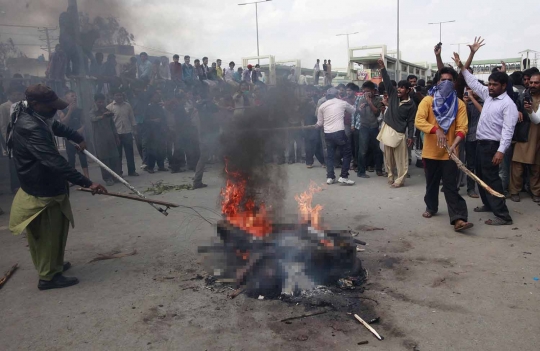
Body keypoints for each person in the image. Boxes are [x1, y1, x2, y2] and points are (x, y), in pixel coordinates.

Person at [7, 84, 107, 290]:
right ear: (35, 104)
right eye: (50, 106)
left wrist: (77, 137)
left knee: (58, 230)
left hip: (50, 185)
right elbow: (53, 160)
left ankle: (56, 264)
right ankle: (48, 277)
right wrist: (88, 182)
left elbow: (56, 126)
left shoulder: (35, 114)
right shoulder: (30, 126)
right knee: (47, 235)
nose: (55, 109)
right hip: (40, 188)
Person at [453, 37, 518, 226]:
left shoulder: (508, 105)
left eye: (494, 85)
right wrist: (462, 65)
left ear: (503, 86)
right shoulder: (488, 97)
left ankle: (503, 215)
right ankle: (489, 205)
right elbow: (472, 82)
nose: (490, 87)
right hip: (481, 144)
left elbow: (508, 130)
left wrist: (501, 151)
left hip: (493, 146)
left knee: (491, 179)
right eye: (489, 84)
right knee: (481, 177)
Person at [415, 67, 473, 232]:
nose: (446, 83)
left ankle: (458, 218)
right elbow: (419, 121)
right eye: (443, 80)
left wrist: (455, 144)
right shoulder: (428, 101)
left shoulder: (459, 104)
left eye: (449, 80)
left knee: (450, 186)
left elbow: (463, 127)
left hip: (450, 153)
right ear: (437, 82)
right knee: (431, 184)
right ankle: (431, 207)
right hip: (431, 152)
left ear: (454, 83)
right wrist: (436, 129)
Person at [376, 57, 416, 188]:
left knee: (401, 159)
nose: (399, 89)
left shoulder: (411, 104)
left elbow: (411, 121)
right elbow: (387, 80)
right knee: (388, 157)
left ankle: (400, 179)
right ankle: (390, 176)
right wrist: (383, 68)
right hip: (387, 129)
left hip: (399, 133)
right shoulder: (392, 94)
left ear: (408, 90)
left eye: (403, 88)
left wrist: (410, 136)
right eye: (399, 87)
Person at [509, 72, 540, 202]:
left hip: (537, 135)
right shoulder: (522, 96)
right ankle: (514, 191)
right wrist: (517, 111)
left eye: (536, 83)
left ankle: (536, 192)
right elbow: (511, 108)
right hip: (523, 133)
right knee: (517, 165)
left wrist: (529, 111)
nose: (532, 85)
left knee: (536, 167)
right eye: (531, 82)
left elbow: (537, 120)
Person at [316, 87, 355, 185]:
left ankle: (330, 177)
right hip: (339, 132)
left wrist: (316, 126)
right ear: (337, 95)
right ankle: (343, 176)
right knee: (347, 153)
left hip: (328, 134)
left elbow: (320, 123)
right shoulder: (342, 103)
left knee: (330, 156)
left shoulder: (322, 106)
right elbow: (353, 110)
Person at [353, 81, 384, 178]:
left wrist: (369, 102)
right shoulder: (361, 100)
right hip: (364, 126)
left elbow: (377, 113)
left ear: (373, 91)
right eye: (364, 92)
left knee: (377, 149)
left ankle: (378, 169)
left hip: (374, 126)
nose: (366, 93)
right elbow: (357, 113)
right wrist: (359, 110)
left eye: (368, 91)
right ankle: (361, 171)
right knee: (362, 150)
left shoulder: (378, 99)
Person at [57, 91, 90, 179]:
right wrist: (70, 111)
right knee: (71, 158)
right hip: (69, 137)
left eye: (75, 96)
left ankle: (87, 176)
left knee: (83, 155)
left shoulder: (80, 110)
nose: (74, 98)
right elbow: (63, 122)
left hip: (78, 136)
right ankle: (73, 178)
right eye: (72, 96)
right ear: (66, 99)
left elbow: (84, 122)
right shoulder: (62, 110)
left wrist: (81, 129)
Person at [90, 93, 120, 186]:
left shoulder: (108, 111)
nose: (101, 104)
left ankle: (116, 176)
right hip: (100, 139)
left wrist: (116, 136)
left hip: (110, 138)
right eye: (99, 102)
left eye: (102, 102)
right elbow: (93, 119)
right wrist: (102, 116)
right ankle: (107, 178)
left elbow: (113, 126)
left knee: (114, 157)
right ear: (95, 102)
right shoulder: (92, 112)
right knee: (104, 159)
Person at [107, 90, 139, 177]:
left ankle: (132, 171)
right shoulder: (109, 107)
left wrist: (134, 128)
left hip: (127, 132)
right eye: (117, 95)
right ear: (113, 96)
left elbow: (132, 117)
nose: (119, 97)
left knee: (130, 153)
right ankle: (119, 172)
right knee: (118, 155)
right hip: (117, 134)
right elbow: (109, 122)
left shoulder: (127, 105)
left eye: (120, 95)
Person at [193, 89, 219, 189]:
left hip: (204, 134)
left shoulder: (200, 105)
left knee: (203, 158)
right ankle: (197, 181)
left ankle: (197, 181)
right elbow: (216, 110)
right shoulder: (209, 105)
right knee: (206, 157)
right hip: (209, 134)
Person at [463, 87, 483, 198]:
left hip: (483, 138)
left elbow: (483, 111)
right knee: (470, 165)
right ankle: (471, 188)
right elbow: (464, 118)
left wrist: (471, 98)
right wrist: (466, 102)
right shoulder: (467, 103)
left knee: (482, 165)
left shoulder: (485, 102)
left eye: (474, 90)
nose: (472, 92)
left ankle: (483, 188)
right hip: (471, 137)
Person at [142, 90, 167, 173]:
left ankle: (161, 166)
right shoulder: (147, 108)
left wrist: (164, 127)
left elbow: (164, 119)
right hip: (151, 132)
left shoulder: (160, 107)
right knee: (152, 150)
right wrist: (153, 121)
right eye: (156, 97)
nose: (158, 98)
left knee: (161, 149)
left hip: (160, 132)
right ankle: (150, 167)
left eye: (158, 97)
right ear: (151, 98)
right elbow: (145, 121)